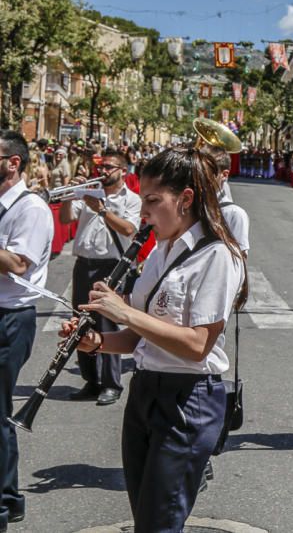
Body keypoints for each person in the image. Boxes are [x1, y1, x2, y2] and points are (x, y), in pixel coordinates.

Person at [65, 146, 248, 532]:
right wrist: (98, 342)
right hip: (146, 390)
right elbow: (138, 339)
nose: (143, 212)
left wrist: (124, 310)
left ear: (186, 199)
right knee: (145, 516)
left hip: (188, 398)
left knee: (159, 522)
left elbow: (198, 345)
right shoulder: (161, 250)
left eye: (152, 200)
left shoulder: (217, 255)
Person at [0, 131, 54, 530]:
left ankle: (4, 503)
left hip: (9, 320)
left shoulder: (31, 208)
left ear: (12, 162)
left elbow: (19, 263)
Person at [59, 150, 141, 406]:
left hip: (111, 268)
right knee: (80, 321)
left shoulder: (132, 200)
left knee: (106, 324)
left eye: (109, 167)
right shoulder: (90, 192)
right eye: (101, 166)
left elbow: (129, 229)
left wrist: (103, 211)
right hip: (84, 264)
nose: (102, 171)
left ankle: (111, 384)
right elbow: (64, 219)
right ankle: (90, 380)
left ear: (123, 171)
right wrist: (67, 197)